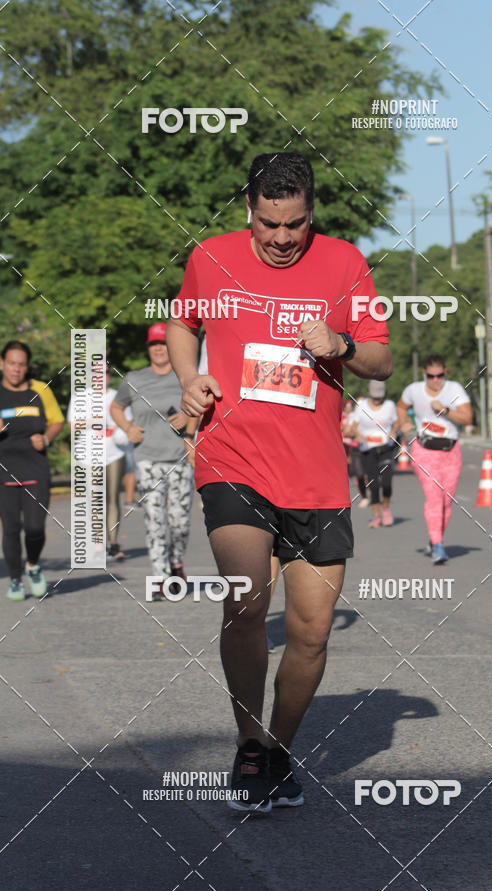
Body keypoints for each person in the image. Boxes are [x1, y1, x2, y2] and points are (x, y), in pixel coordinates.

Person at [166, 151, 392, 814]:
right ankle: (248, 744)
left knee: (312, 629)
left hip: (317, 475)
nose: (282, 238)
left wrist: (341, 346)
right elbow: (184, 322)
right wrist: (188, 378)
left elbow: (381, 357)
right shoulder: (212, 257)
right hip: (232, 457)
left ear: (311, 213)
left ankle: (278, 747)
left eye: (294, 224)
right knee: (244, 602)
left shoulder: (346, 262)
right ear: (250, 211)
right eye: (269, 223)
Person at [110, 323, 198, 599]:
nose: (159, 348)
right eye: (153, 344)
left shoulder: (184, 377)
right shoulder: (135, 379)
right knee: (155, 520)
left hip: (179, 458)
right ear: (148, 348)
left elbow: (202, 402)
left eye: (163, 343)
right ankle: (161, 578)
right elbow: (116, 406)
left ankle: (176, 563)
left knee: (179, 522)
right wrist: (127, 428)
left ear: (171, 347)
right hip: (147, 459)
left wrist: (189, 423)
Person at [0, 340, 64, 601]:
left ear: (27, 367)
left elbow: (57, 421)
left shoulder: (40, 390)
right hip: (4, 468)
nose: (16, 369)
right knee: (12, 528)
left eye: (21, 364)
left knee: (35, 527)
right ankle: (15, 579)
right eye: (12, 363)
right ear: (2, 363)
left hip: (35, 465)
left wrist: (46, 439)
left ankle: (33, 565)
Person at [396, 354, 472, 564]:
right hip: (424, 449)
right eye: (431, 376)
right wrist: (403, 424)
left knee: (447, 502)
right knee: (434, 497)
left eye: (439, 376)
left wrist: (446, 411)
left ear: (445, 373)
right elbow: (401, 406)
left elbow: (467, 418)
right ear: (424, 374)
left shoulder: (454, 389)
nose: (435, 380)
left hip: (450, 450)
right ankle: (438, 545)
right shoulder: (414, 390)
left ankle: (434, 539)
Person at [67, 361, 130, 561]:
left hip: (113, 452)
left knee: (112, 497)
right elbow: (71, 425)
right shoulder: (81, 396)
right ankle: (98, 543)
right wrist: (92, 421)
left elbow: (127, 423)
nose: (100, 376)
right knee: (94, 499)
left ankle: (113, 542)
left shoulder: (115, 396)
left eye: (104, 372)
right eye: (96, 373)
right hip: (88, 454)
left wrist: (121, 430)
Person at [343, 381, 398, 527]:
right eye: (374, 397)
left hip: (386, 448)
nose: (377, 400)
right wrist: (357, 434)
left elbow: (396, 423)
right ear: (369, 392)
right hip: (367, 449)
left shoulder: (390, 405)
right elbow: (352, 427)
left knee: (386, 482)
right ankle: (376, 515)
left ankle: (385, 508)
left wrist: (394, 431)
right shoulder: (361, 406)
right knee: (373, 484)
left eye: (379, 397)